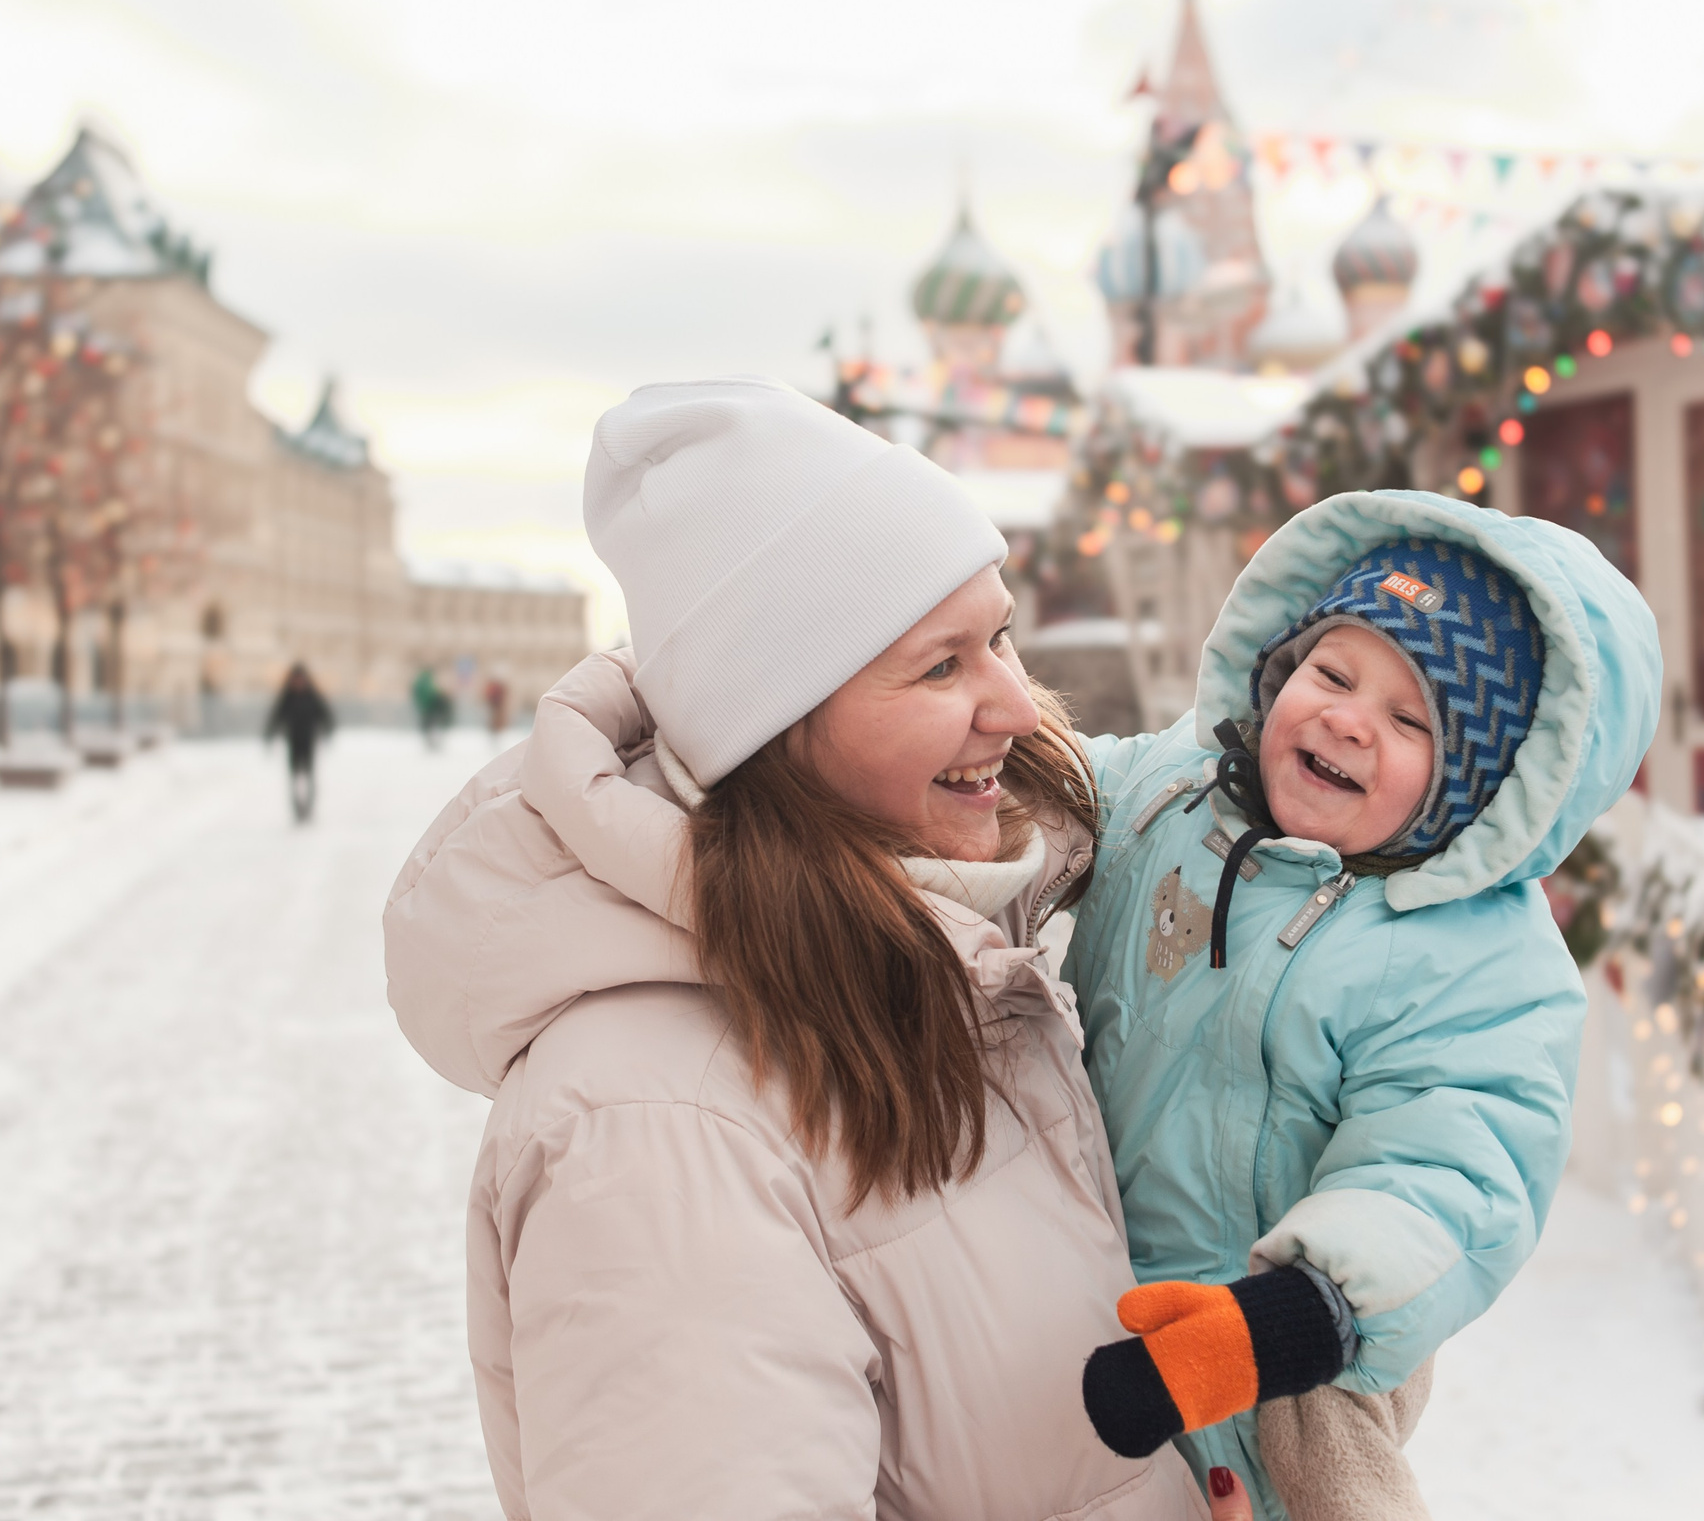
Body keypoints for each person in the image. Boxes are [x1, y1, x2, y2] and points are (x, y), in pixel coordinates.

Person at [384, 378, 1240, 1521]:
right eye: (940, 666)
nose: (1016, 707)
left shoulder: (959, 953)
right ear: (777, 731)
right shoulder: (657, 1127)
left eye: (998, 636)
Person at [1068, 493, 1661, 1520]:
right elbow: (1054, 793)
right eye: (1332, 673)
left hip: (1290, 1341)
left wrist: (1295, 1317)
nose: (1347, 717)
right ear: (1279, 666)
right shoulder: (1174, 792)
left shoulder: (1471, 957)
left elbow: (1449, 1167)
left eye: (1409, 718)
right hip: (1081, 1277)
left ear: (1471, 787)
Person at [265, 662, 333, 823]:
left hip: (308, 742)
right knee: (294, 777)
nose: (298, 683)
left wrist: (328, 730)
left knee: (309, 776)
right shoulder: (287, 698)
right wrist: (269, 735)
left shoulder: (312, 696)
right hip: (293, 743)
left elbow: (325, 714)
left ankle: (308, 807)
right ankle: (297, 808)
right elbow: (276, 717)